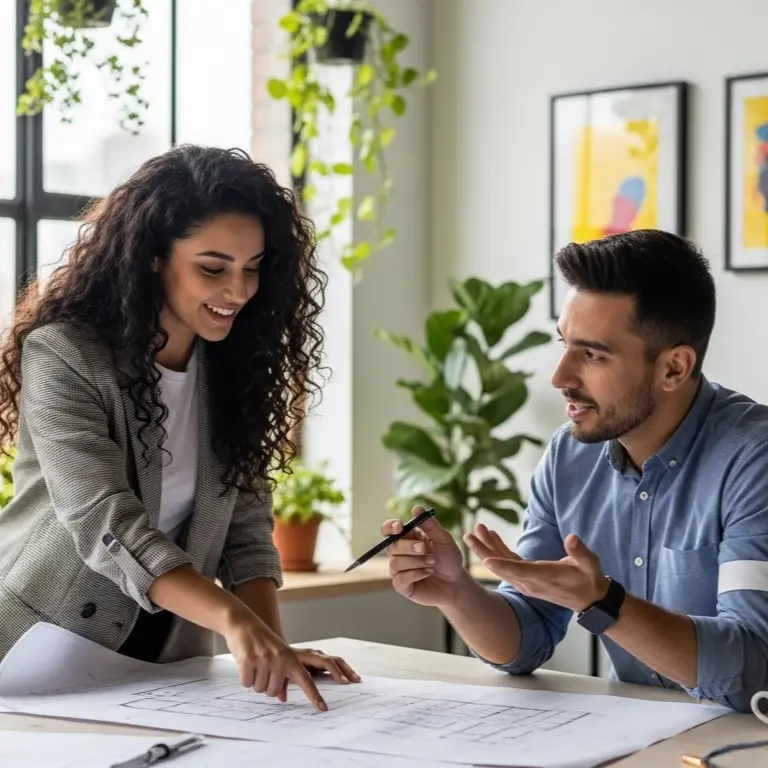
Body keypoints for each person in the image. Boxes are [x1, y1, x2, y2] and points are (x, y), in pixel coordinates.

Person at [0, 144, 359, 711]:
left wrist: (271, 646)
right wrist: (235, 622)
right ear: (151, 257)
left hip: (171, 657)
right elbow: (105, 522)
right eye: (212, 268)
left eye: (253, 268)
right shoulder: (64, 353)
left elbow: (243, 529)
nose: (238, 291)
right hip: (41, 646)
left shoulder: (233, 370)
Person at [382, 229, 768, 713]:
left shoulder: (754, 459)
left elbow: (755, 667)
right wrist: (457, 593)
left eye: (592, 354)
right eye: (564, 343)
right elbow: (530, 636)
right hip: (641, 739)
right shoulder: (570, 457)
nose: (560, 376)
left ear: (673, 368)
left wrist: (604, 603)